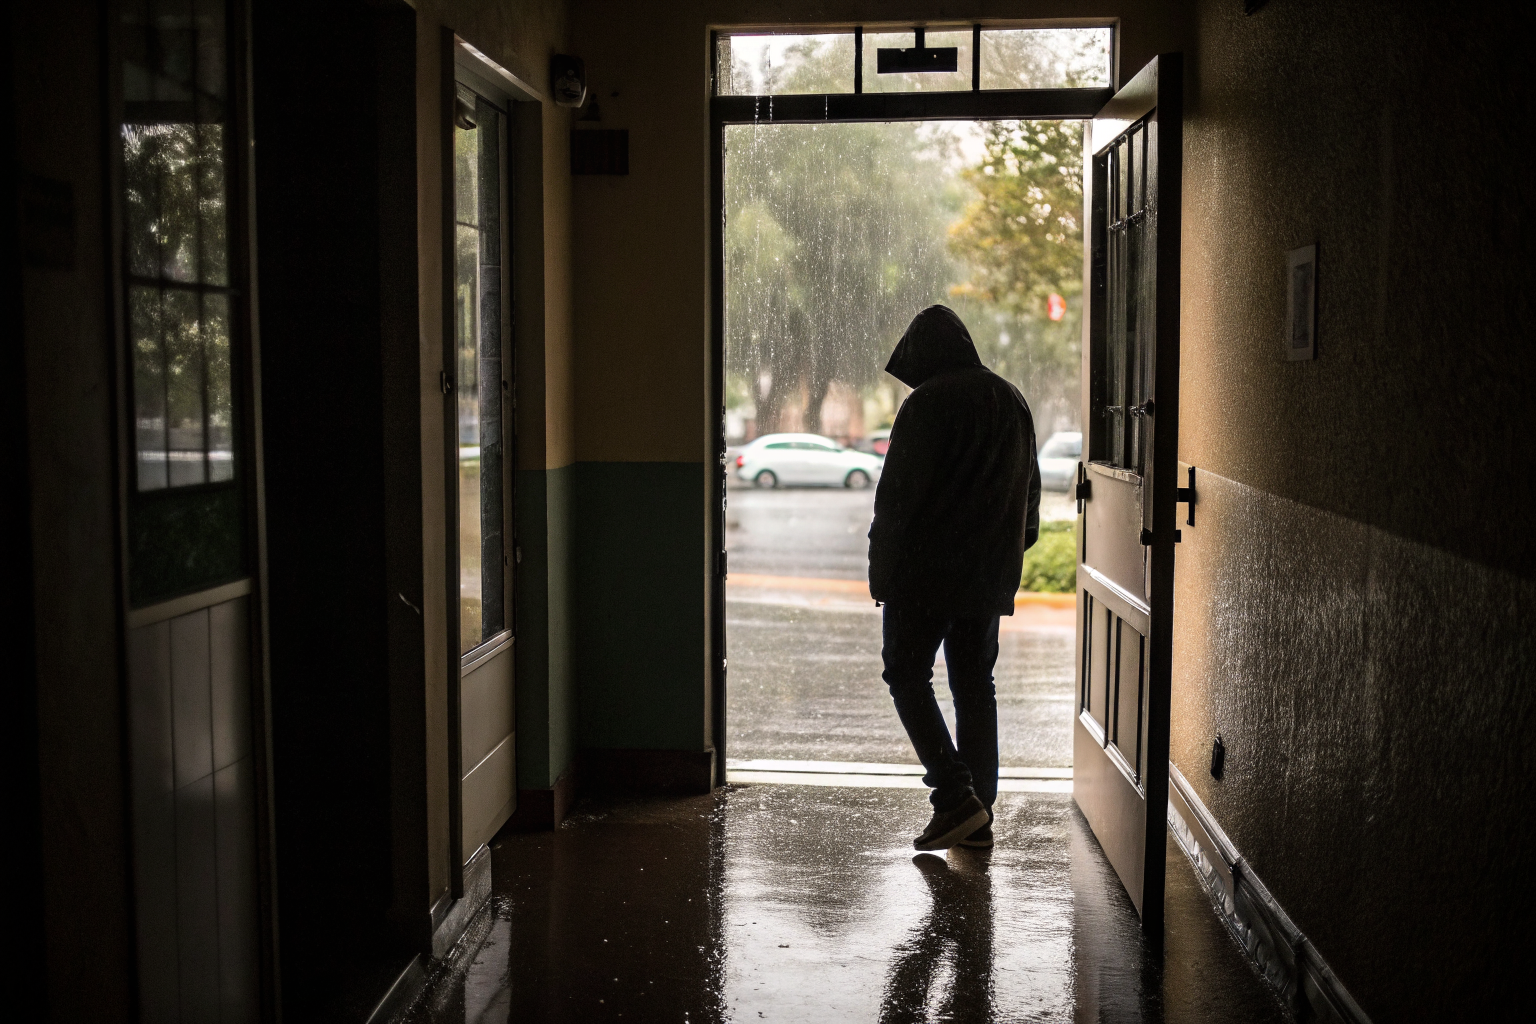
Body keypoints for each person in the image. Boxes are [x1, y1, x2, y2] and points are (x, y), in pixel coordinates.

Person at [869, 305, 1041, 851]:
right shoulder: (1011, 400)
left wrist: (882, 569)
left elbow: (896, 500)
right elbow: (1029, 498)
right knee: (974, 685)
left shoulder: (926, 405)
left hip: (925, 574)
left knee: (906, 674)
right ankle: (978, 818)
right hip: (987, 577)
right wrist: (1004, 555)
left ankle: (954, 795)